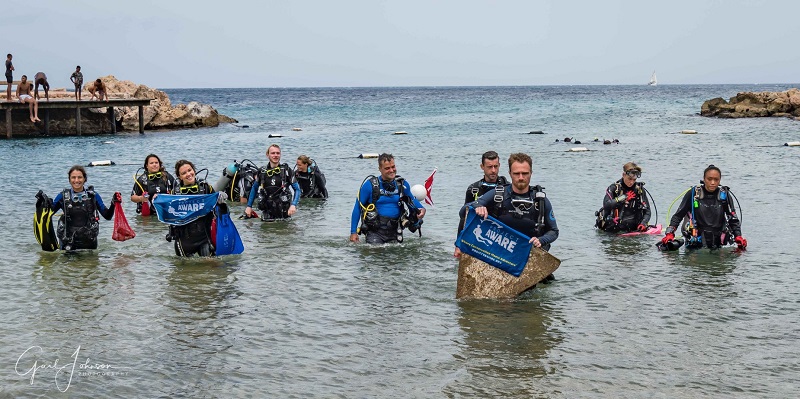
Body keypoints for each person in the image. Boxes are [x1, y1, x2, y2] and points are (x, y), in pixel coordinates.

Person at [460, 153, 558, 252]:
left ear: (531, 173)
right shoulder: (498, 194)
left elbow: (554, 231)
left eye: (525, 173)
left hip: (529, 254)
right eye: (516, 173)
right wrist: (477, 206)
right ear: (510, 173)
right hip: (500, 252)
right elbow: (463, 212)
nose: (520, 177)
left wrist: (541, 240)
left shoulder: (540, 201)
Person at [661, 164, 747, 250]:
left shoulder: (724, 195)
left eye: (716, 179)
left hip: (717, 243)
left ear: (719, 180)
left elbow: (733, 218)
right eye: (709, 179)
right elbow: (678, 215)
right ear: (704, 179)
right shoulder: (693, 194)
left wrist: (738, 236)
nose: (712, 183)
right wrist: (670, 233)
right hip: (695, 243)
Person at [350, 153, 426, 244]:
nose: (391, 170)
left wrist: (422, 210)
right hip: (375, 232)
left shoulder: (402, 185)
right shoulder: (369, 185)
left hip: (395, 231)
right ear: (380, 169)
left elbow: (413, 201)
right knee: (375, 255)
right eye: (387, 168)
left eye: (393, 167)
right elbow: (357, 208)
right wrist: (353, 232)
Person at [454, 150, 509, 256]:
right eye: (489, 167)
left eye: (496, 166)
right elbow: (464, 219)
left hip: (500, 238)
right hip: (479, 234)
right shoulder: (473, 189)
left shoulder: (508, 188)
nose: (493, 170)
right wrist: (458, 244)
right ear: (482, 166)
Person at [51, 165, 118, 251]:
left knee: (88, 264)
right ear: (69, 180)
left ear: (84, 179)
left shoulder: (93, 196)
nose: (76, 180)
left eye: (79, 177)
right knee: (68, 264)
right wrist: (43, 204)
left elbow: (107, 216)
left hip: (89, 242)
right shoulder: (62, 196)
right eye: (73, 177)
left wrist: (113, 203)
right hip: (68, 243)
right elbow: (47, 214)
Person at [167, 159, 223, 257]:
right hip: (183, 240)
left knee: (210, 269)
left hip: (204, 237)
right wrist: (157, 200)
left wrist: (221, 201)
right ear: (179, 177)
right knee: (183, 270)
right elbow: (167, 215)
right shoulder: (174, 194)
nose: (188, 174)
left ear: (194, 170)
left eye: (190, 170)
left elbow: (219, 211)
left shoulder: (206, 188)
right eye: (184, 173)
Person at [244, 144, 301, 220]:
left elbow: (297, 189)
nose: (275, 155)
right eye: (273, 153)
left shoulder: (286, 170)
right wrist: (249, 206)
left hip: (284, 213)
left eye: (278, 153)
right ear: (267, 155)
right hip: (267, 212)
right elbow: (254, 188)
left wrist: (293, 205)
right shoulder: (262, 171)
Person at [595, 162, 651, 233]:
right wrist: (622, 198)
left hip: (634, 229)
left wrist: (643, 223)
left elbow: (647, 211)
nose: (631, 182)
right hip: (614, 229)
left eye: (634, 180)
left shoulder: (639, 189)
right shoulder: (614, 188)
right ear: (623, 175)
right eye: (629, 179)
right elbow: (606, 205)